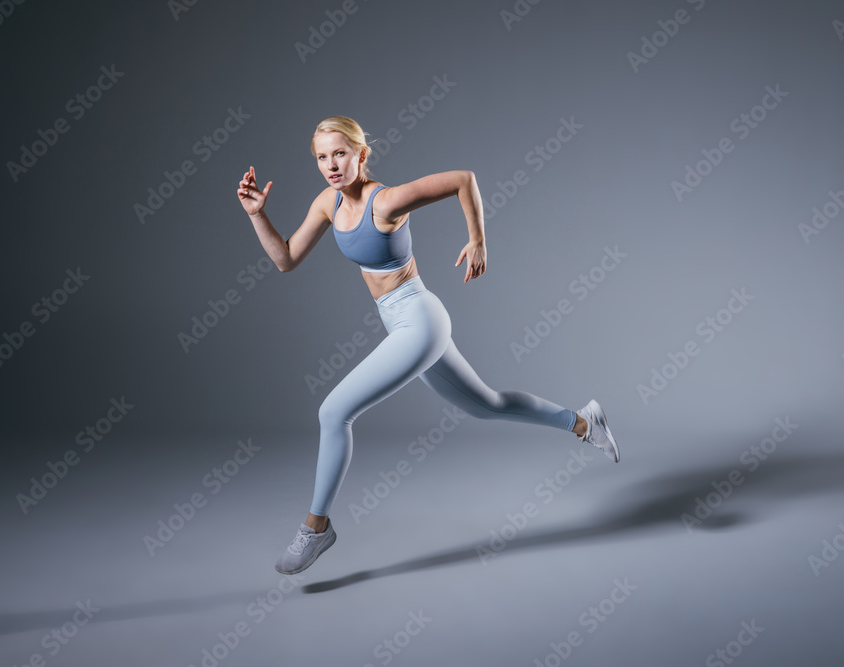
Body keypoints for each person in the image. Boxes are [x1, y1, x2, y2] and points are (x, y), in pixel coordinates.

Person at [236, 115, 619, 575]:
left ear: (361, 154)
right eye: (321, 157)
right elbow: (286, 259)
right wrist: (259, 215)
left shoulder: (388, 201)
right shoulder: (328, 203)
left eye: (340, 153)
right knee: (488, 404)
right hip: (400, 323)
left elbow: (464, 180)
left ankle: (316, 528)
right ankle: (584, 422)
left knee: (334, 412)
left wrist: (478, 239)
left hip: (420, 320)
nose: (331, 165)